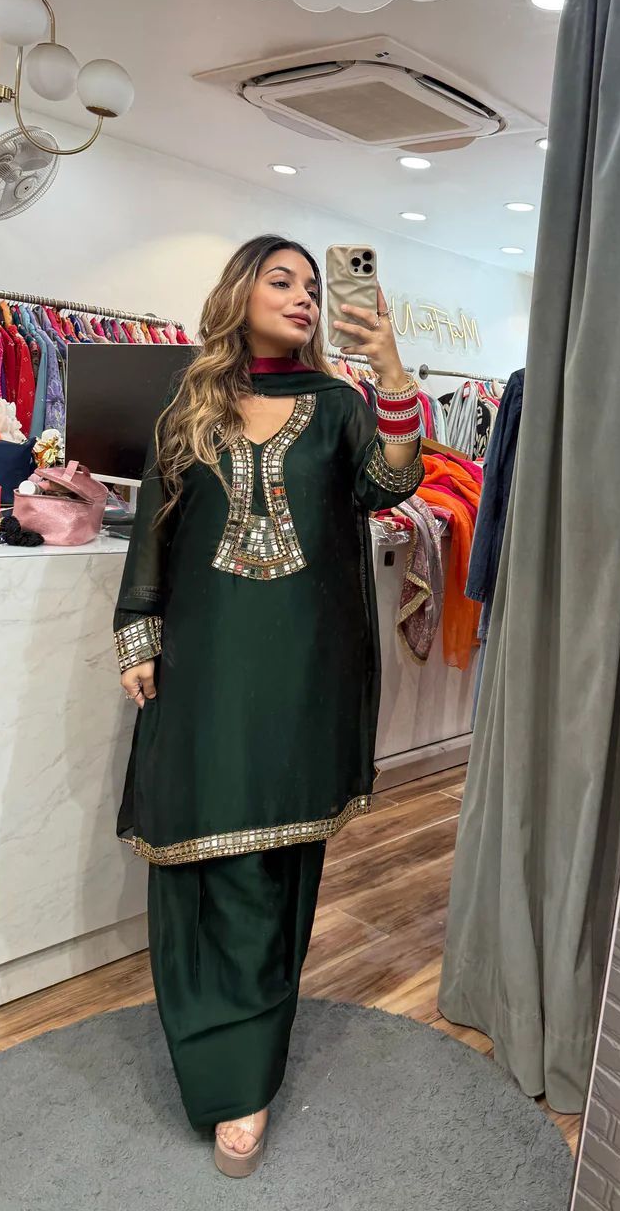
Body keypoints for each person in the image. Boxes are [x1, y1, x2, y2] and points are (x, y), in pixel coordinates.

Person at [111, 234, 424, 1177]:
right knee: (197, 840)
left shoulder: (337, 407)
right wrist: (138, 626)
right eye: (281, 280)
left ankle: (243, 1076)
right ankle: (215, 1045)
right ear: (238, 293)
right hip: (204, 659)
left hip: (301, 665)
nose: (304, 297)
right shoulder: (191, 405)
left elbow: (392, 483)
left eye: (313, 287)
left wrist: (390, 370)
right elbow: (156, 521)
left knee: (269, 858)